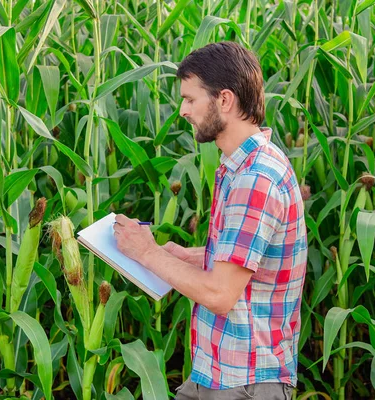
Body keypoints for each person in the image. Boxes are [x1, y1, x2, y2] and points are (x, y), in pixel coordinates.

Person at [113, 41, 307, 400]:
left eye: (190, 99)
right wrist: (189, 255)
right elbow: (253, 254)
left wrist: (147, 253)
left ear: (225, 101)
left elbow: (220, 294)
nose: (183, 111)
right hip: (218, 370)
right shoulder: (242, 166)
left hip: (245, 380)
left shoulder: (255, 178)